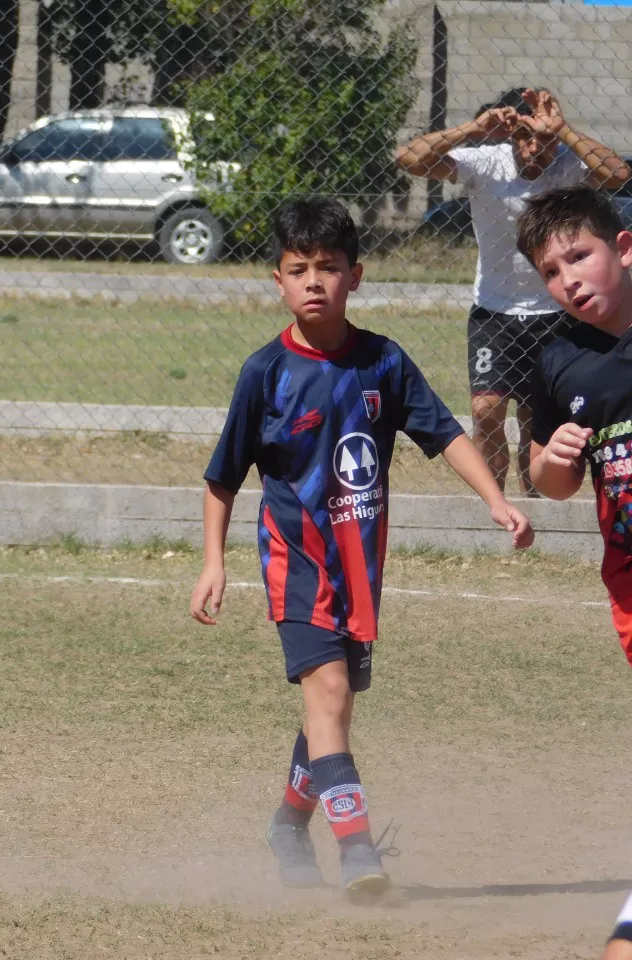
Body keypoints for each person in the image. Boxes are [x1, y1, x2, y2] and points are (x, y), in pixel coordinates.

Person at [189, 197, 534, 900]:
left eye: (329, 267)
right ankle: (358, 858)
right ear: (278, 281)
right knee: (331, 694)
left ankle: (288, 825)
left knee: (332, 713)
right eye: (298, 269)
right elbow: (222, 477)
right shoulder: (266, 373)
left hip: (360, 572)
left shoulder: (383, 362)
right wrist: (213, 563)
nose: (314, 281)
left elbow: (445, 435)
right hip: (298, 567)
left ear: (357, 276)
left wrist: (497, 500)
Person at [395, 87, 629, 495]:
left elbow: (620, 175)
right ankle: (495, 498)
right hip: (495, 309)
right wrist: (473, 128)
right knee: (485, 410)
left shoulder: (569, 163)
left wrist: (563, 130)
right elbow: (407, 159)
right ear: (509, 136)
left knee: (533, 417)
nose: (534, 147)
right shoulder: (486, 161)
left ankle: (533, 498)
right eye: (524, 136)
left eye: (543, 138)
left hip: (554, 309)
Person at [518, 187, 632, 957]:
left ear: (624, 248)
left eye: (580, 255)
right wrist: (556, 460)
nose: (570, 279)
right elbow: (544, 480)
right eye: (552, 270)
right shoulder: (555, 357)